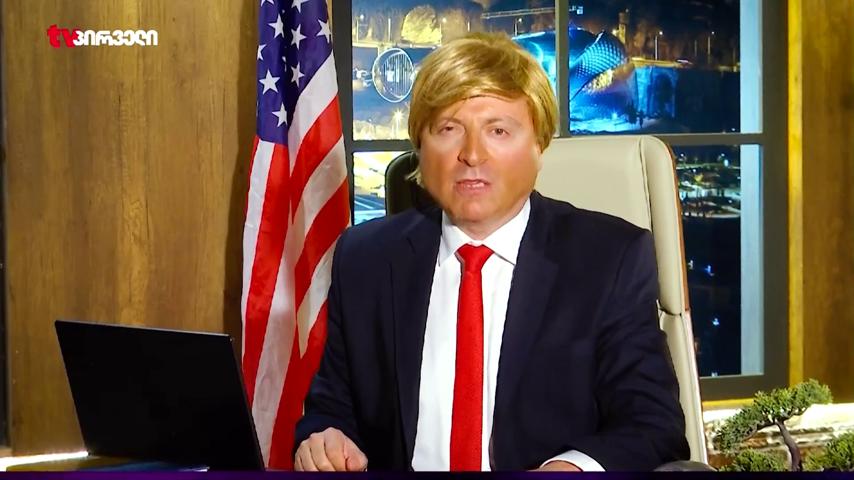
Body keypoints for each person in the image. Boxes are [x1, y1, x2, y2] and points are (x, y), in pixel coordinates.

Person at [293, 32, 689, 472]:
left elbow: (654, 425)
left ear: (539, 145)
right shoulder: (365, 258)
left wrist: (574, 468)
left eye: (498, 131)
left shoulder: (608, 259)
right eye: (448, 129)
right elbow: (331, 408)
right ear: (420, 146)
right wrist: (324, 438)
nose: (472, 154)